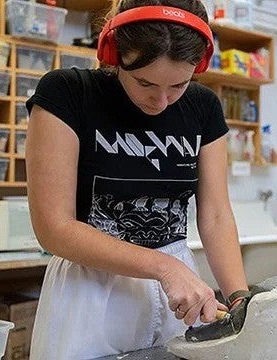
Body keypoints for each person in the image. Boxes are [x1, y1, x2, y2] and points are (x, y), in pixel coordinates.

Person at [26, 0, 249, 358]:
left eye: (178, 85)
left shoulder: (203, 107)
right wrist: (163, 267)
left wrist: (240, 299)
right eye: (145, 82)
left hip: (177, 292)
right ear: (113, 53)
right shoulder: (67, 93)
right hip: (90, 288)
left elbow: (216, 215)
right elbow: (53, 227)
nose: (161, 101)